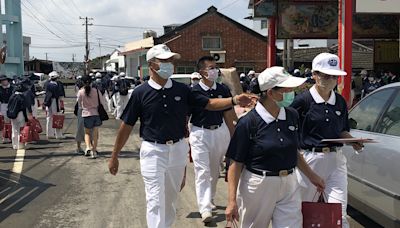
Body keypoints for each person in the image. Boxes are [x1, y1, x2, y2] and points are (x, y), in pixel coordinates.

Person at [108, 44, 255, 228]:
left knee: (170, 198)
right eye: (164, 61)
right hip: (153, 150)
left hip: (177, 149)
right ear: (152, 65)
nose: (170, 64)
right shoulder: (140, 93)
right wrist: (115, 155)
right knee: (155, 198)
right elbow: (126, 125)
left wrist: (233, 100)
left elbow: (209, 103)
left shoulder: (183, 90)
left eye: (171, 60)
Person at [225, 66, 324, 227]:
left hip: (289, 184)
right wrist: (231, 201)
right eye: (287, 89)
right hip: (259, 185)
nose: (292, 93)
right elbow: (235, 164)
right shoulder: (249, 122)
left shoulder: (291, 115)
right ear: (271, 93)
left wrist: (312, 176)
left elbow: (294, 152)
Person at [291, 53, 363, 228]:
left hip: (336, 159)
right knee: (303, 210)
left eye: (334, 76)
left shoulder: (339, 101)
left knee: (339, 213)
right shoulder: (302, 101)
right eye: (326, 75)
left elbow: (342, 130)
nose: (331, 79)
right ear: (314, 75)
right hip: (309, 160)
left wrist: (353, 140)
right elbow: (289, 130)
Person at [189, 56, 237, 222]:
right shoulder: (194, 91)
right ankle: (205, 209)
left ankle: (210, 198)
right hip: (200, 133)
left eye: (215, 67)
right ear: (201, 72)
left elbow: (229, 114)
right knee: (202, 171)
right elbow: (211, 104)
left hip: (219, 131)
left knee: (215, 171)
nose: (214, 71)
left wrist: (235, 138)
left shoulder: (223, 89)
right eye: (210, 68)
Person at [77, 75, 106, 159]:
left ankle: (88, 147)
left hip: (86, 114)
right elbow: (102, 102)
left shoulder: (81, 92)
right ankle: (94, 150)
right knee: (95, 134)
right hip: (96, 113)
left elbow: (79, 104)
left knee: (87, 133)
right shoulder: (96, 91)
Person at [7, 82, 33, 149]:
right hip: (20, 114)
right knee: (21, 130)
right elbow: (25, 107)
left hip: (12, 115)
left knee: (14, 129)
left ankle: (14, 145)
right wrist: (27, 117)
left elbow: (8, 106)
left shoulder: (12, 96)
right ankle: (20, 145)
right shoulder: (22, 97)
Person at [44, 71, 65, 139]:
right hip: (56, 102)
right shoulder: (58, 84)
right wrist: (62, 105)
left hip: (48, 102)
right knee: (57, 117)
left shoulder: (47, 84)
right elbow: (61, 96)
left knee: (49, 118)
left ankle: (49, 134)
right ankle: (58, 135)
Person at [0, 75, 14, 143]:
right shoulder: (0, 88)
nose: (3, 82)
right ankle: (5, 137)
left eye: (4, 80)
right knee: (5, 122)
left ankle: (12, 136)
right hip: (3, 105)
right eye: (2, 81)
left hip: (11, 105)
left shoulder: (12, 88)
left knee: (12, 121)